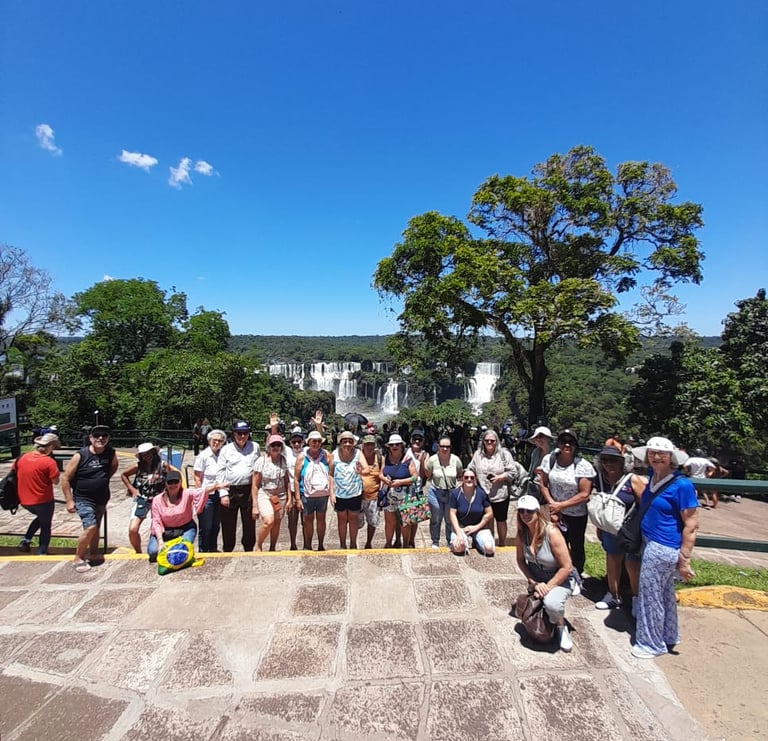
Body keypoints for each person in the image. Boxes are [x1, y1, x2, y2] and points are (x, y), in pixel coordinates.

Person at [629, 437, 698, 659]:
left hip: (662, 547)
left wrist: (684, 559)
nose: (656, 457)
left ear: (671, 457)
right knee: (665, 593)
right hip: (650, 541)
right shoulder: (654, 477)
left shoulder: (682, 485)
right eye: (652, 453)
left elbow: (691, 524)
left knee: (650, 596)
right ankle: (668, 634)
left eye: (662, 454)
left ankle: (650, 644)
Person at [515, 494, 574, 652]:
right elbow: (520, 560)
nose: (525, 514)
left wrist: (547, 587)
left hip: (560, 578)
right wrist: (533, 582)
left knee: (552, 604)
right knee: (524, 608)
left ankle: (561, 626)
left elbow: (567, 566)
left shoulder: (551, 532)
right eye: (521, 511)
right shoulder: (522, 534)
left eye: (529, 511)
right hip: (537, 579)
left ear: (538, 512)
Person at [592, 446, 647, 612]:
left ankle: (636, 599)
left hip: (630, 530)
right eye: (605, 460)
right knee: (612, 560)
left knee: (633, 564)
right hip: (610, 528)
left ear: (622, 462)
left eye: (613, 460)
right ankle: (613, 595)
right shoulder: (600, 479)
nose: (609, 464)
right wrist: (600, 526)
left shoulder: (632, 480)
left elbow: (644, 505)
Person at [537, 429, 595, 578]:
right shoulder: (549, 460)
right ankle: (556, 573)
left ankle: (576, 576)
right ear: (558, 443)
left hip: (575, 514)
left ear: (576, 445)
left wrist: (561, 506)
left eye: (571, 442)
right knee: (554, 543)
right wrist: (553, 504)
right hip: (554, 512)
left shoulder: (583, 465)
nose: (567, 445)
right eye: (564, 441)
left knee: (576, 547)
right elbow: (543, 484)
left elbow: (584, 493)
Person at [61, 425, 119, 573]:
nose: (101, 438)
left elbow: (113, 467)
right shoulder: (80, 455)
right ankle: (78, 557)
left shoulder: (110, 453)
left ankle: (93, 553)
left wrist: (102, 480)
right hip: (83, 498)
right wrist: (69, 500)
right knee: (90, 526)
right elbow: (65, 478)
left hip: (101, 497)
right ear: (91, 438)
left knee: (96, 527)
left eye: (104, 435)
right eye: (97, 435)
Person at [148, 470, 221, 561]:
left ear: (180, 482)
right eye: (170, 482)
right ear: (165, 484)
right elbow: (156, 521)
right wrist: (160, 541)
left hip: (185, 528)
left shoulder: (186, 493)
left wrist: (214, 487)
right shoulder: (157, 500)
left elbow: (200, 491)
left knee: (181, 551)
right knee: (153, 551)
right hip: (164, 531)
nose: (173, 485)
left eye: (176, 481)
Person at [467, 429, 522, 546]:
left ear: (497, 441)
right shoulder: (478, 454)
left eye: (492, 440)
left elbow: (513, 472)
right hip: (483, 493)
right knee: (487, 519)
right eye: (487, 440)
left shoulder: (504, 454)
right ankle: (489, 542)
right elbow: (470, 468)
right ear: (483, 441)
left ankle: (502, 543)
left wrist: (500, 477)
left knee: (501, 520)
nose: (489, 443)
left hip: (500, 494)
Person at [216, 420, 260, 552]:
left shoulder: (255, 447)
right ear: (233, 434)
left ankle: (249, 548)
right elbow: (220, 471)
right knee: (228, 524)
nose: (242, 436)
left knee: (249, 522)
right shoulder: (226, 449)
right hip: (230, 489)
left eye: (245, 433)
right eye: (239, 433)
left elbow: (258, 469)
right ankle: (228, 549)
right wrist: (223, 493)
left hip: (248, 489)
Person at [15, 433, 61, 554]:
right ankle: (42, 552)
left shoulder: (22, 457)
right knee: (46, 525)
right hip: (43, 500)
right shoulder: (49, 462)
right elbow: (55, 481)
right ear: (50, 446)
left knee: (41, 518)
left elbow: (14, 471)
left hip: (23, 500)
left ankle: (26, 541)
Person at [121, 442, 170, 554]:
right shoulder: (138, 466)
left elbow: (172, 478)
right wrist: (132, 490)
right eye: (143, 454)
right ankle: (138, 552)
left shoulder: (163, 465)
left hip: (159, 500)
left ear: (153, 453)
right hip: (142, 499)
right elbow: (123, 475)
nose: (146, 456)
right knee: (133, 529)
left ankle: (161, 547)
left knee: (162, 526)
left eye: (148, 453)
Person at [252, 434, 291, 551]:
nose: (276, 447)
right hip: (265, 493)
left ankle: (272, 547)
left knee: (277, 522)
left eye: (278, 445)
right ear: (269, 446)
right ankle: (258, 544)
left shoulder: (283, 460)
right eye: (273, 445)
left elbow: (287, 481)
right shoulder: (261, 461)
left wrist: (290, 499)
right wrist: (255, 505)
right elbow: (255, 484)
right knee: (269, 521)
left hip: (280, 494)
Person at [294, 430, 332, 550]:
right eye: (314, 441)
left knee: (321, 519)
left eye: (319, 441)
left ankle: (321, 544)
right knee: (307, 520)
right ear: (309, 442)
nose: (316, 443)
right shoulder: (302, 457)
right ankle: (308, 545)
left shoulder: (326, 455)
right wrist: (298, 499)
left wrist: (332, 493)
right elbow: (296, 478)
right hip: (306, 494)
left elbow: (331, 474)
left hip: (322, 494)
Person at [331, 430, 369, 549]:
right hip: (339, 494)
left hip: (355, 492)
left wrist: (360, 471)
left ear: (353, 443)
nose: (347, 444)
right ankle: (342, 545)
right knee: (341, 520)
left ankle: (353, 544)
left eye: (350, 441)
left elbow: (367, 469)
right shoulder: (334, 454)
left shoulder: (358, 453)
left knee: (353, 520)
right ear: (340, 443)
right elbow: (330, 475)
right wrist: (331, 493)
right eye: (345, 441)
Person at [379, 433, 418, 548]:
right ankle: (388, 544)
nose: (394, 446)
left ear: (401, 446)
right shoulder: (385, 458)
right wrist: (384, 479)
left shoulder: (408, 459)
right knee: (389, 522)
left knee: (405, 523)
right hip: (389, 496)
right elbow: (380, 474)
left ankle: (405, 544)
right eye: (392, 445)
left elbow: (415, 477)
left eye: (397, 444)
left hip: (405, 495)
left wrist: (401, 482)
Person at [424, 436, 463, 549]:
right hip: (436, 492)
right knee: (436, 518)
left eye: (447, 446)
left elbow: (459, 474)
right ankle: (435, 541)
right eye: (442, 446)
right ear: (438, 447)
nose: (445, 449)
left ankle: (449, 540)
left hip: (451, 492)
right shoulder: (432, 460)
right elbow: (428, 474)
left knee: (449, 519)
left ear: (450, 447)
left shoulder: (456, 460)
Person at [193, 428, 227, 551]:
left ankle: (213, 549)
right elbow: (197, 477)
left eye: (220, 441)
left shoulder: (224, 455)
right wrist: (199, 496)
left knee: (216, 525)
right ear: (209, 441)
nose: (217, 443)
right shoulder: (203, 456)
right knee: (205, 526)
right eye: (214, 440)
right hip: (207, 494)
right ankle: (203, 550)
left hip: (220, 493)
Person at [448, 469, 495, 556]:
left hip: (479, 527)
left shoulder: (482, 493)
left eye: (472, 477)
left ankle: (477, 542)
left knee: (489, 549)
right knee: (459, 547)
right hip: (462, 527)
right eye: (466, 477)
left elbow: (490, 513)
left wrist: (476, 527)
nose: (469, 479)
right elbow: (452, 514)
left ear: (475, 479)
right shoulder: (455, 494)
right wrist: (458, 532)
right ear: (462, 479)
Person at [402, 428, 429, 547]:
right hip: (405, 489)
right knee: (405, 519)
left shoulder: (426, 454)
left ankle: (412, 541)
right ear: (410, 440)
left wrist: (422, 460)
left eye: (420, 439)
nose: (417, 441)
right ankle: (405, 542)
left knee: (416, 518)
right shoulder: (405, 452)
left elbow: (424, 474)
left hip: (418, 489)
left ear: (423, 441)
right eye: (415, 439)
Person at [358, 434, 383, 549]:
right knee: (356, 523)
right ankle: (354, 542)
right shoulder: (357, 457)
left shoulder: (380, 458)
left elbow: (382, 475)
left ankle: (368, 543)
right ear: (362, 446)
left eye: (371, 444)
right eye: (367, 444)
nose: (369, 447)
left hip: (373, 496)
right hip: (358, 496)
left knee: (372, 522)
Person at [284, 427, 306, 550]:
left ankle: (306, 544)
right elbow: (272, 441)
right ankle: (293, 543)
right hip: (291, 490)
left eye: (299, 441)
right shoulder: (287, 452)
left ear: (303, 442)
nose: (296, 444)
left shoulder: (307, 451)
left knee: (306, 520)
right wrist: (273, 427)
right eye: (294, 442)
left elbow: (318, 441)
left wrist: (319, 426)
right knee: (292, 520)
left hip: (305, 490)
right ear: (290, 443)